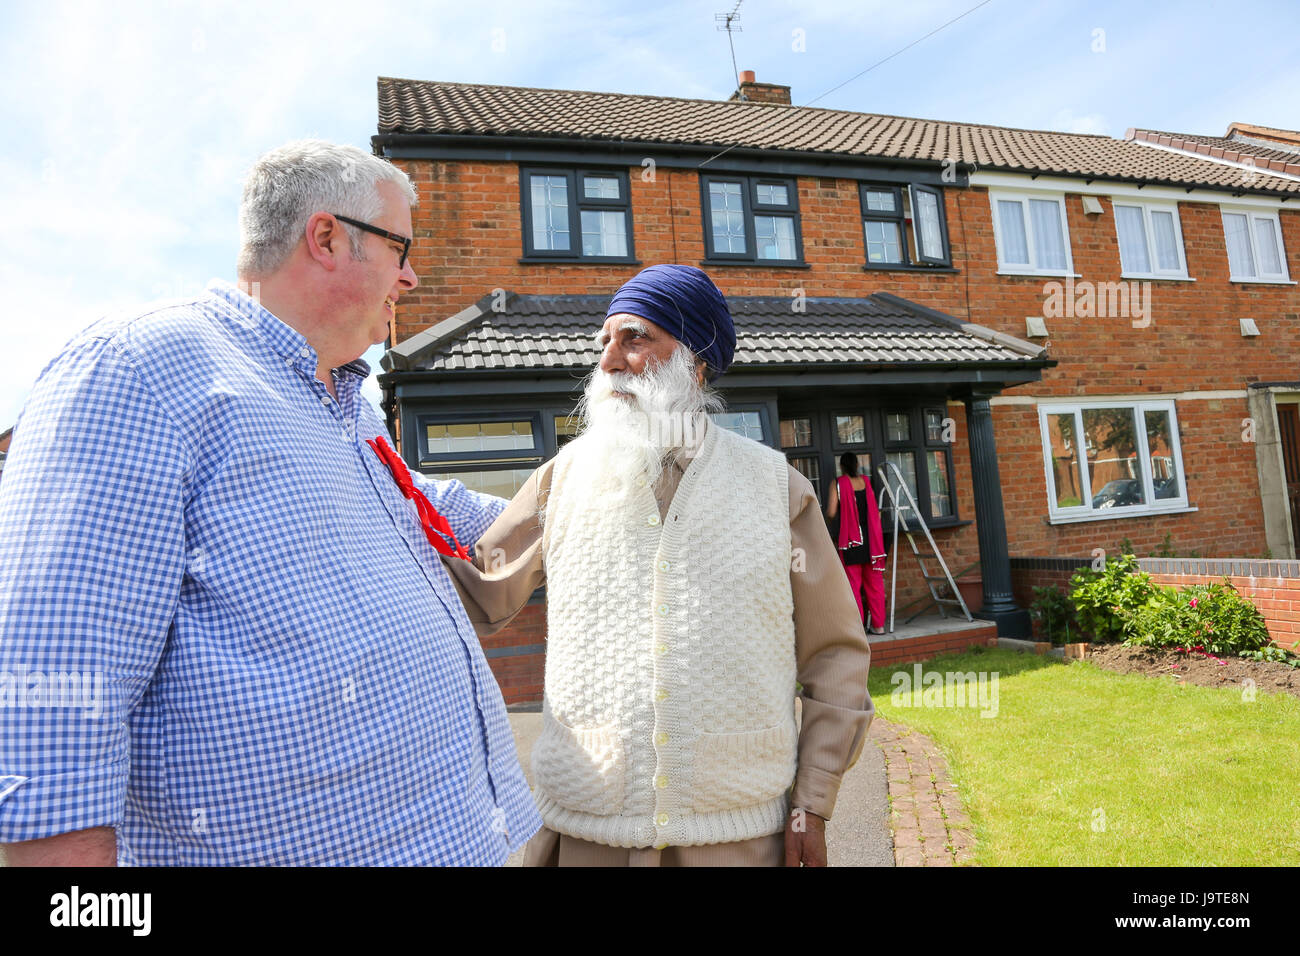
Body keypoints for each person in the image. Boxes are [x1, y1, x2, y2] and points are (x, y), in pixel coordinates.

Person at [0, 140, 541, 866]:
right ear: (325, 237)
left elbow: (427, 505)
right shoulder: (141, 370)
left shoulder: (343, 402)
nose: (411, 276)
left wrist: (589, 492)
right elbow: (52, 703)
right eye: (400, 248)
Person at [446, 264, 874, 867]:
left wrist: (815, 800)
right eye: (605, 343)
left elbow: (835, 656)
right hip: (588, 830)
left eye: (635, 338)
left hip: (737, 837)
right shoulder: (562, 480)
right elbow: (473, 591)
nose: (610, 362)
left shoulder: (776, 488)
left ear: (695, 364)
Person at [825, 453, 888, 634]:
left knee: (853, 587)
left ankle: (858, 629)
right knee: (875, 585)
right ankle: (879, 626)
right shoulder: (866, 483)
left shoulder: (838, 483)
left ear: (842, 466)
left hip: (851, 542)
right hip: (872, 543)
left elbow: (831, 512)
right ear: (857, 465)